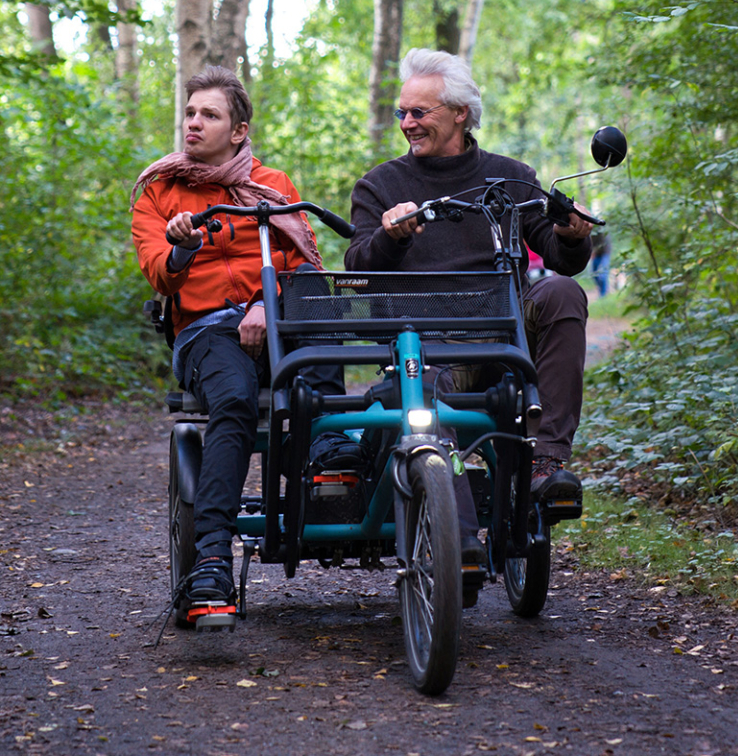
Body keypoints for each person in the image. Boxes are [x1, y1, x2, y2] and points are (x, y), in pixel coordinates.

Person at [131, 66, 362, 626]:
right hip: (206, 330)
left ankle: (332, 456)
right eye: (189, 113)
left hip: (277, 318)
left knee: (317, 325)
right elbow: (160, 275)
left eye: (209, 114)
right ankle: (212, 558)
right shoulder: (159, 192)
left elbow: (301, 265)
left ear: (238, 129)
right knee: (233, 399)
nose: (193, 123)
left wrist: (267, 304)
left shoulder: (273, 184)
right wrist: (182, 246)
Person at [346, 48, 592, 573]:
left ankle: (546, 464)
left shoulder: (511, 177)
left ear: (460, 113)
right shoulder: (380, 185)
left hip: (504, 336)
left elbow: (559, 256)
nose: (408, 124)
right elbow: (358, 268)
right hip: (427, 349)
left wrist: (573, 237)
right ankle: (458, 542)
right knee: (426, 400)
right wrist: (391, 237)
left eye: (420, 112)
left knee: (562, 294)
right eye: (402, 113)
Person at [590, 229, 612, 297]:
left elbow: (604, 244)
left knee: (603, 275)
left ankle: (604, 294)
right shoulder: (589, 232)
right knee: (593, 274)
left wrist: (594, 251)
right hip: (596, 254)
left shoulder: (602, 230)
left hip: (605, 252)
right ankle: (602, 289)